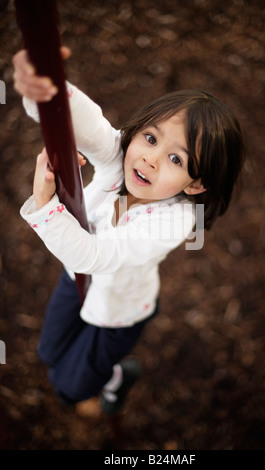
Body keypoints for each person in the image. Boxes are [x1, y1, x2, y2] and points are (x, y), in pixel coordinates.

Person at [13, 48, 245, 415]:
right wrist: (48, 91)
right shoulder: (121, 160)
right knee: (48, 353)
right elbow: (88, 125)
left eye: (176, 159)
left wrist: (46, 205)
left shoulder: (174, 222)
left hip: (118, 311)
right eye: (151, 139)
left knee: (69, 387)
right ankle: (90, 374)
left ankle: (116, 377)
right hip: (77, 280)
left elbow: (96, 255)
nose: (150, 158)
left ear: (196, 184)